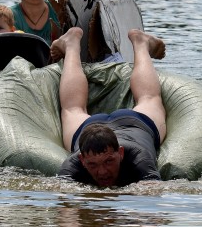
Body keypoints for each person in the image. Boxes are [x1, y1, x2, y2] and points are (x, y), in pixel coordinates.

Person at [52, 27, 167, 187]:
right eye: (92, 164)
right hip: (91, 129)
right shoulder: (72, 164)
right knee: (72, 109)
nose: (102, 172)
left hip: (135, 124)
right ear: (82, 159)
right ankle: (71, 44)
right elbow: (64, 208)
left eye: (108, 161)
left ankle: (141, 43)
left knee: (150, 98)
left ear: (120, 153)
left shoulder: (139, 158)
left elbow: (152, 200)